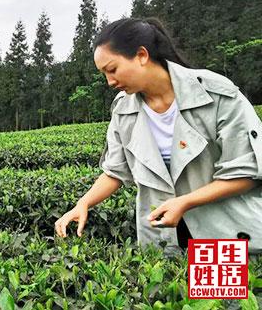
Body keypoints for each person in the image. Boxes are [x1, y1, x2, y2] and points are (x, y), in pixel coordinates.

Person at [54, 18, 262, 255]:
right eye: (104, 74)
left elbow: (246, 172)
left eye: (112, 69)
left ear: (142, 55)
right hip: (161, 239)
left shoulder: (216, 95)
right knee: (165, 290)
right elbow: (115, 171)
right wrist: (83, 203)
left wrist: (185, 202)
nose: (109, 81)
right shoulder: (124, 109)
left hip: (222, 234)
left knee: (215, 293)